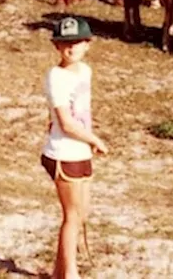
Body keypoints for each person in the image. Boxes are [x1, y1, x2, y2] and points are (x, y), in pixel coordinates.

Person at [41, 16, 109, 279]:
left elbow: (81, 112)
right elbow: (67, 124)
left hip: (80, 150)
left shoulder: (86, 71)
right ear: (57, 46)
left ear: (87, 44)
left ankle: (59, 272)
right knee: (72, 215)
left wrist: (88, 139)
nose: (71, 48)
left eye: (77, 42)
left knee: (81, 214)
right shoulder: (56, 77)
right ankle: (70, 274)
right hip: (63, 152)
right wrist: (94, 139)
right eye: (64, 43)